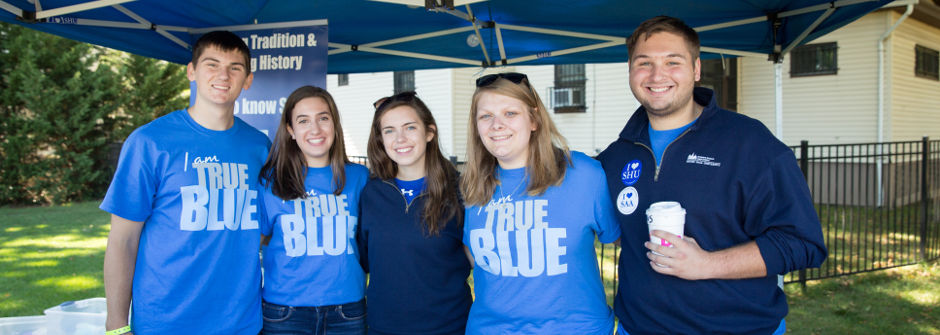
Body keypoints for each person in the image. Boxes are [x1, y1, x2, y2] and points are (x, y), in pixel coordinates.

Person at [595, 16, 828, 334]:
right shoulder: (618, 154)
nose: (657, 74)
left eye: (672, 61)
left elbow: (803, 243)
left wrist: (707, 264)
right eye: (644, 62)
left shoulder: (749, 142)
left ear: (696, 69)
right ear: (631, 71)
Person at [101, 31, 268, 334]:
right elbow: (122, 241)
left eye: (235, 67)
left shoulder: (259, 146)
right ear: (191, 71)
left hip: (241, 321)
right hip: (166, 320)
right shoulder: (149, 142)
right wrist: (116, 324)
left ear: (248, 80)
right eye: (211, 64)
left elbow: (265, 227)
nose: (223, 75)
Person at [461, 72, 621, 334]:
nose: (496, 125)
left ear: (534, 119)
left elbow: (626, 243)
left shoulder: (584, 174)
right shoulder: (471, 185)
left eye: (510, 113)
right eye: (485, 116)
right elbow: (472, 259)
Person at [256, 85, 369, 335]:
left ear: (335, 125)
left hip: (347, 310)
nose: (315, 129)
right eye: (303, 121)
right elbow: (258, 240)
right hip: (285, 312)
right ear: (290, 131)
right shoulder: (269, 182)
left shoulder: (360, 178)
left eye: (323, 118)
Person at [357, 91, 472, 335]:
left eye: (410, 127)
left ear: (430, 132)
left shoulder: (460, 192)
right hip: (383, 328)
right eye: (389, 130)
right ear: (380, 139)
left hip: (447, 327)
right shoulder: (371, 193)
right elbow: (365, 260)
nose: (400, 138)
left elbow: (480, 264)